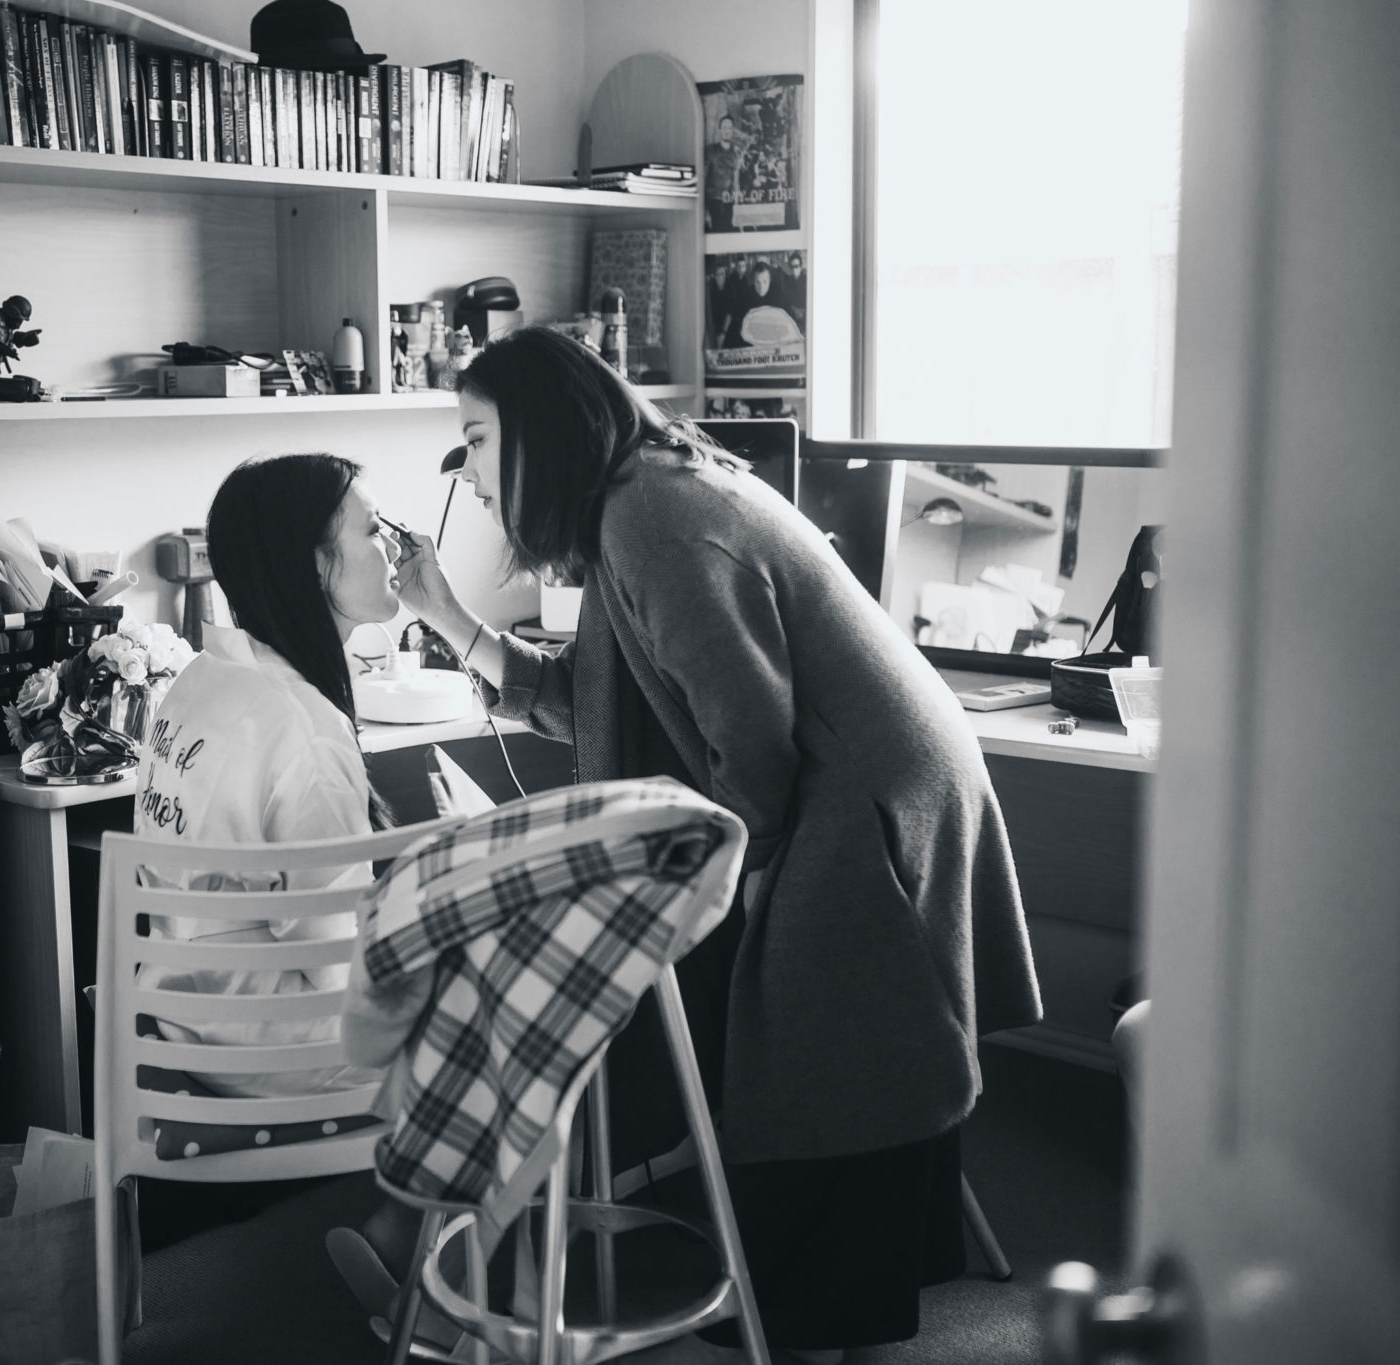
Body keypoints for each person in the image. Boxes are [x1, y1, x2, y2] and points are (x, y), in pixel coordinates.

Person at [390, 327, 1043, 1362]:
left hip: (859, 793)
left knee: (805, 1026)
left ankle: (800, 1298)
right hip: (862, 771)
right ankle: (773, 1263)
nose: (464, 471)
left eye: (474, 438)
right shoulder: (636, 500)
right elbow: (597, 697)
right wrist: (448, 615)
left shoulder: (651, 517)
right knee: (779, 1011)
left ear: (541, 435)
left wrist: (724, 886)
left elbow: (749, 745)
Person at [131, 452, 402, 1099]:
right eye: (372, 527)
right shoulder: (304, 730)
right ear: (314, 562)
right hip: (277, 1051)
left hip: (182, 1019)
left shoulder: (200, 681)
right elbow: (338, 970)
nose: (392, 540)